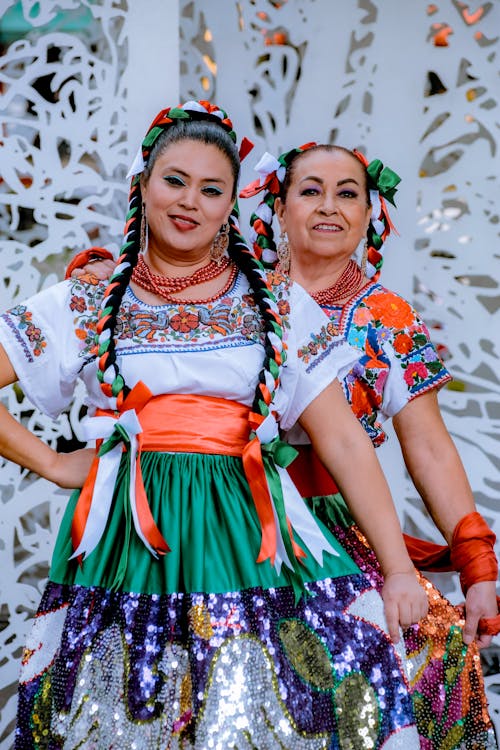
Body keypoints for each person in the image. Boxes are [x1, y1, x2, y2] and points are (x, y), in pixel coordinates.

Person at [0, 101, 430, 748]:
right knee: (128, 719)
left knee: (271, 714)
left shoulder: (275, 301)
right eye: (174, 181)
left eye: (211, 189)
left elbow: (341, 437)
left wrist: (396, 570)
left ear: (233, 203)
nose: (189, 202)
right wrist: (55, 463)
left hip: (254, 532)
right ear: (142, 186)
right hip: (131, 536)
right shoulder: (88, 299)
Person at [237, 142, 500, 749]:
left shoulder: (386, 316)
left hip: (344, 529)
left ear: (368, 211)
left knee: (422, 664)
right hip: (237, 523)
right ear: (278, 207)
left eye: (347, 193)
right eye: (310, 190)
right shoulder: (240, 300)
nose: (329, 206)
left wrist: (475, 563)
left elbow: (429, 447)